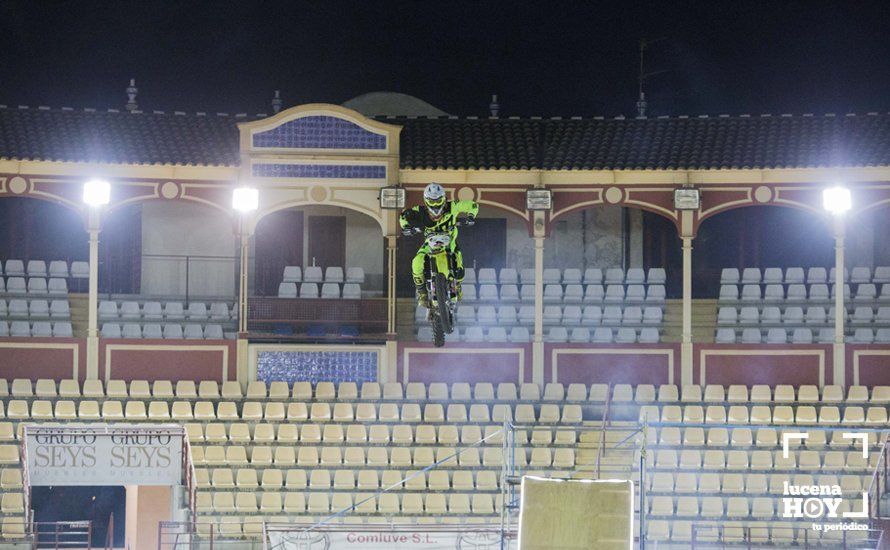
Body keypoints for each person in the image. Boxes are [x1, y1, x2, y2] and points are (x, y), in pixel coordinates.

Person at [399, 183, 478, 306]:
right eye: (432, 201)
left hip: (449, 242)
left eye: (438, 201)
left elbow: (472, 205)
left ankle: (457, 285)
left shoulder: (453, 206)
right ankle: (422, 293)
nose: (435, 205)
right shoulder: (419, 211)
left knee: (460, 265)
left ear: (444, 198)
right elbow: (404, 216)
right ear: (426, 201)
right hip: (430, 243)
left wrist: (471, 216)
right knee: (416, 262)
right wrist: (406, 227)